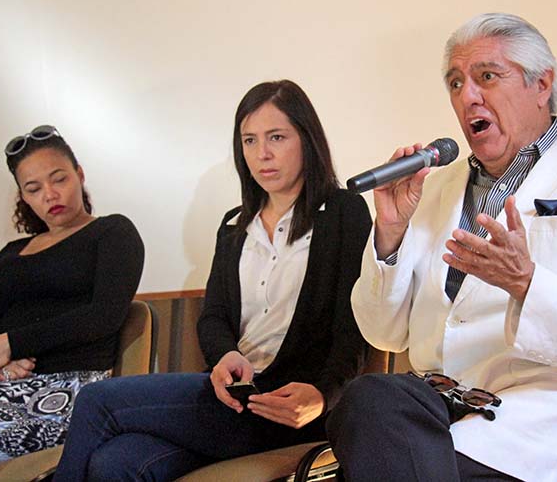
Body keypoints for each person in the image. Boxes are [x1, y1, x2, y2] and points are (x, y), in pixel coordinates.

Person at [326, 13, 557, 481]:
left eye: (486, 77)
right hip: (438, 416)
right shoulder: (432, 191)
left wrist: (528, 283)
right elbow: (384, 334)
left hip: (555, 429)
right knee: (369, 399)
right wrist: (390, 234)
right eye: (455, 83)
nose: (466, 96)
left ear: (542, 84)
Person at [54, 79, 372, 481]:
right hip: (233, 399)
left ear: (306, 140)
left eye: (277, 137)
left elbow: (353, 326)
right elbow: (214, 317)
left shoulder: (344, 212)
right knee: (116, 462)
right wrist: (226, 356)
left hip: (289, 408)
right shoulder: (235, 225)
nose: (263, 154)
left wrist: (325, 397)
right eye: (249, 140)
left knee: (97, 402)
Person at [0, 126, 145, 474]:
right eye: (33, 188)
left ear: (79, 175)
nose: (49, 194)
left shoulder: (112, 232)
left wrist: (13, 343)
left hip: (67, 389)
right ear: (23, 197)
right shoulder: (10, 254)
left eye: (59, 179)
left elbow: (103, 315)